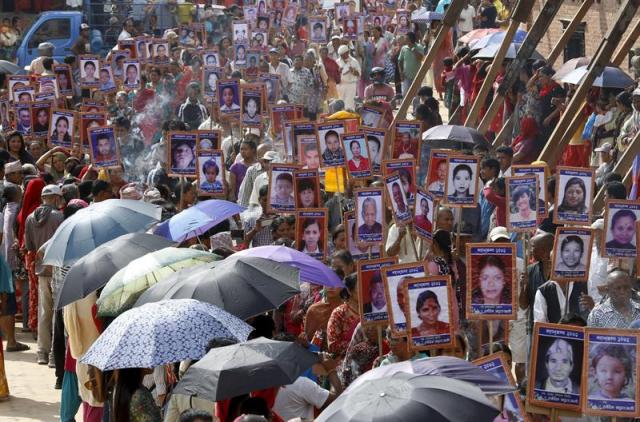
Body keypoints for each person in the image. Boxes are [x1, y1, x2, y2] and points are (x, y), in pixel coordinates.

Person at [24, 184, 65, 366]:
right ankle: (53, 357)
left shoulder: (30, 218)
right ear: (56, 198)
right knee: (57, 313)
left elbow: (30, 247)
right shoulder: (59, 217)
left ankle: (42, 351)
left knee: (44, 312)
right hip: (57, 270)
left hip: (41, 271)